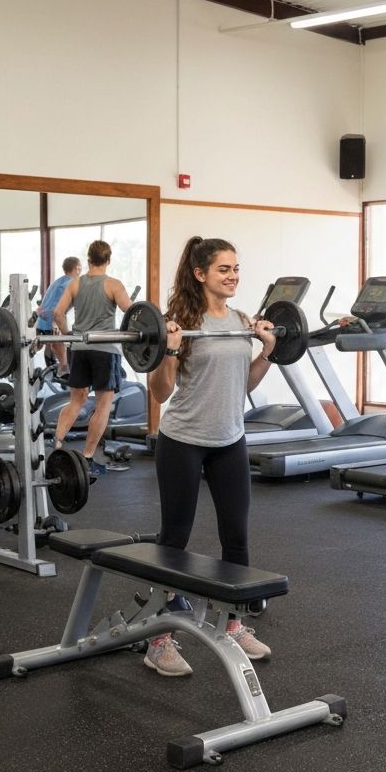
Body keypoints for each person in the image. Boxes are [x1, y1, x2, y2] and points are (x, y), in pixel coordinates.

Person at [144, 236, 277, 676]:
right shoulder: (178, 322)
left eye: (236, 268)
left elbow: (246, 386)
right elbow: (160, 393)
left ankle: (232, 622)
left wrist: (268, 352)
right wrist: (170, 349)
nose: (233, 276)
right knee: (175, 538)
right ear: (200, 274)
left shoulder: (241, 320)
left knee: (236, 534)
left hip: (229, 440)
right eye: (224, 269)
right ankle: (158, 639)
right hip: (183, 440)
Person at [52, 241, 133, 475]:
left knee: (76, 401)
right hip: (105, 350)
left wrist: (68, 335)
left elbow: (58, 313)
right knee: (102, 406)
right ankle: (87, 457)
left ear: (88, 259)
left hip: (80, 347)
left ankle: (57, 443)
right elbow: (132, 310)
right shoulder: (114, 285)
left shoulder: (75, 283)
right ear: (108, 261)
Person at [37, 256, 81, 376]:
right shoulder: (71, 282)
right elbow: (61, 308)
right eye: (79, 268)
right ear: (76, 268)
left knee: (51, 344)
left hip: (42, 321)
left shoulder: (58, 281)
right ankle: (64, 370)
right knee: (59, 343)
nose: (80, 271)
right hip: (52, 320)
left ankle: (60, 370)